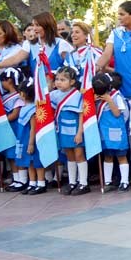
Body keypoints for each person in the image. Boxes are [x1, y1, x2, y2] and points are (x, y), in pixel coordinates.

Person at [51, 66, 89, 195]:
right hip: (63, 130)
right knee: (69, 155)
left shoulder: (77, 95)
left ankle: (83, 182)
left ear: (72, 82)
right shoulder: (54, 95)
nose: (59, 82)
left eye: (63, 80)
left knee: (79, 154)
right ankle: (72, 181)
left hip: (75, 130)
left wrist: (79, 132)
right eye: (57, 79)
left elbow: (81, 114)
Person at [93, 72, 130, 192]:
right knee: (107, 156)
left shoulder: (116, 96)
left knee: (121, 156)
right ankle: (107, 181)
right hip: (104, 132)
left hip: (116, 131)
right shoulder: (96, 97)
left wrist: (109, 100)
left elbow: (118, 113)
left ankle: (124, 181)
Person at [15, 77, 44, 195]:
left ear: (22, 94)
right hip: (24, 138)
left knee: (37, 161)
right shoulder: (24, 108)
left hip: (32, 140)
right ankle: (32, 182)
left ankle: (41, 182)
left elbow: (33, 128)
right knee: (29, 162)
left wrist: (31, 143)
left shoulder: (33, 109)